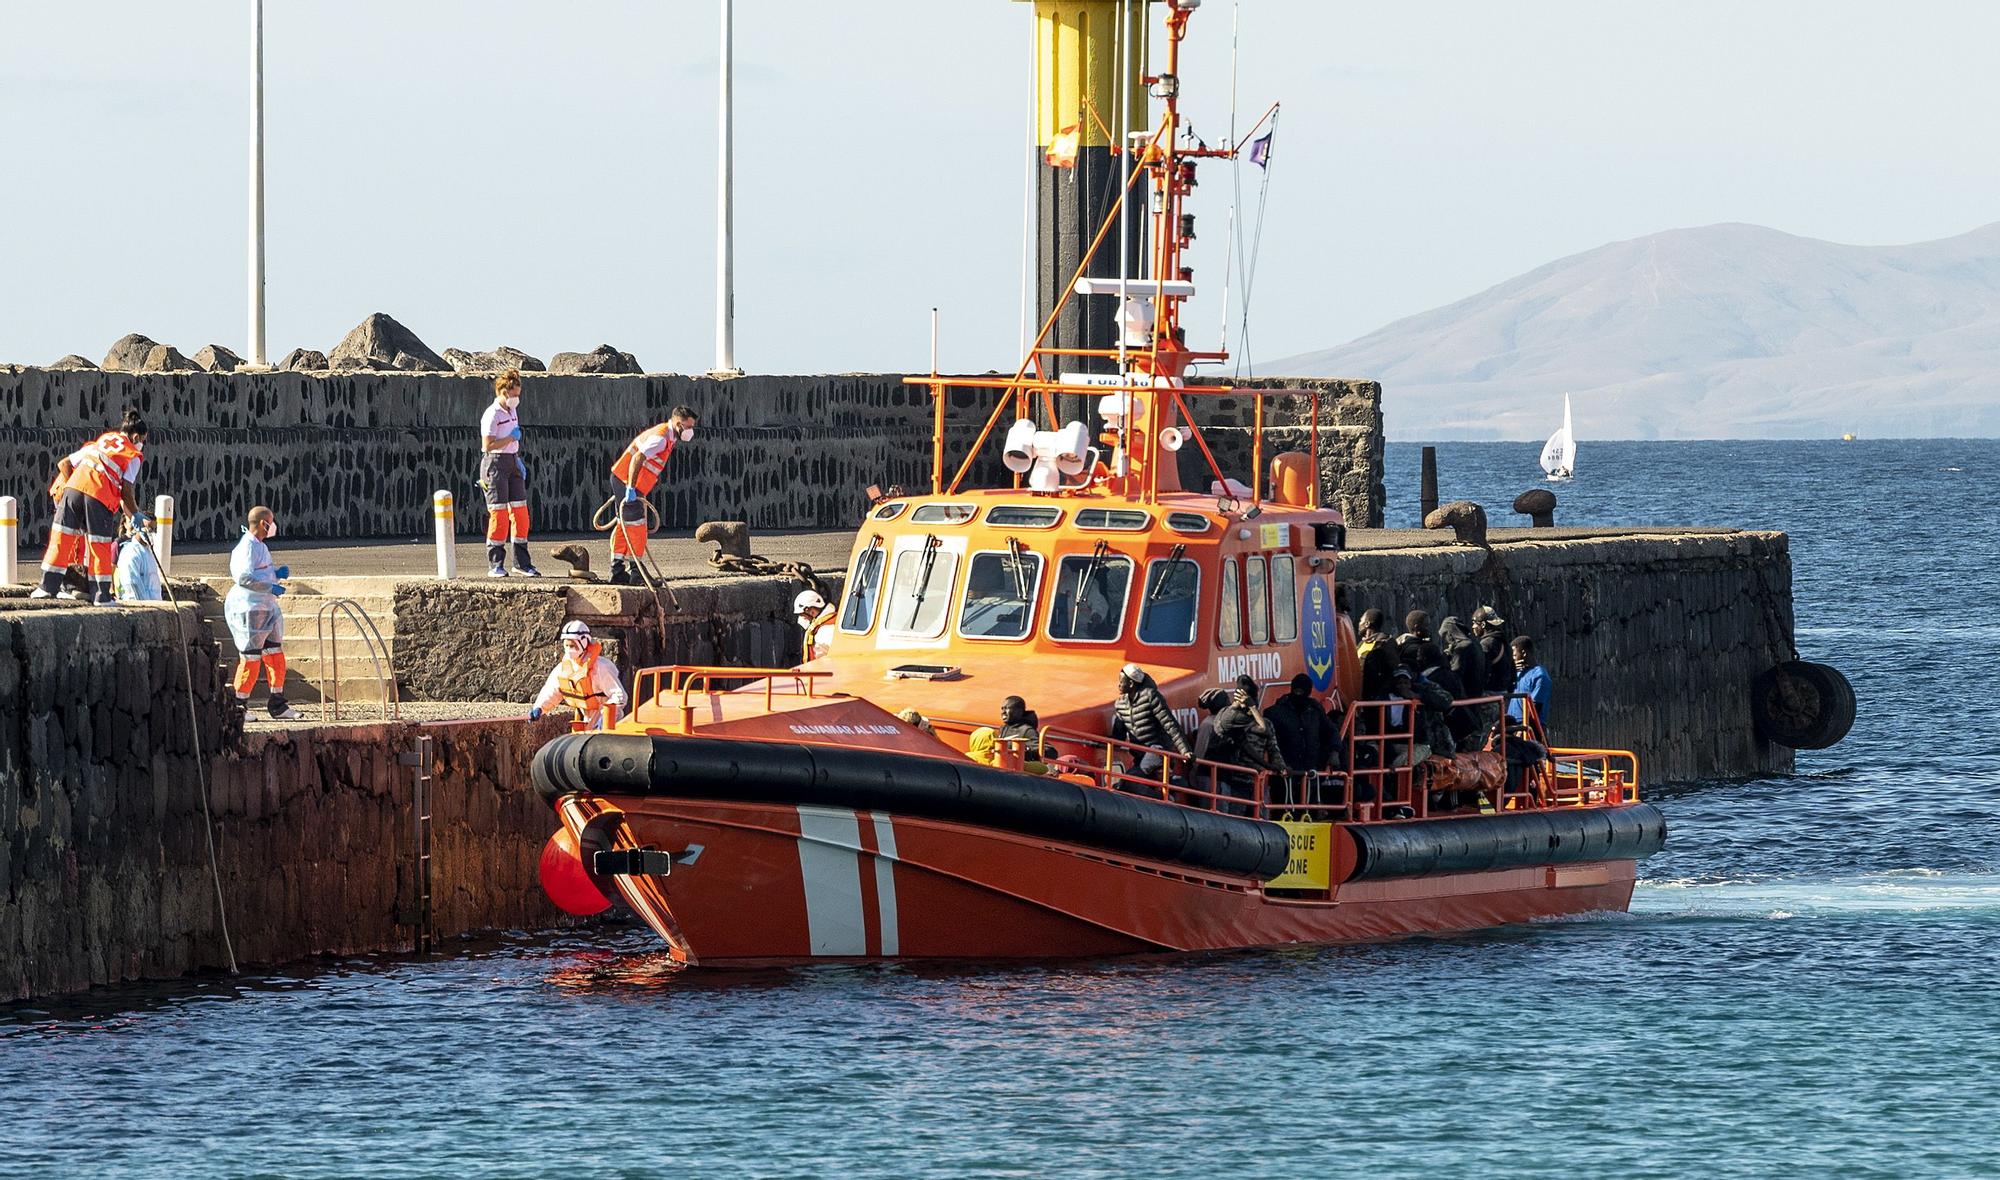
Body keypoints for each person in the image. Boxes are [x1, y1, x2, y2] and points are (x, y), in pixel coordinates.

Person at [33, 408, 148, 604]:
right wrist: (135, 514)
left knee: (61, 539)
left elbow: (64, 464)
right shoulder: (132, 454)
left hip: (73, 491)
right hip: (99, 497)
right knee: (99, 545)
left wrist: (77, 486)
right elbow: (126, 491)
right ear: (136, 436)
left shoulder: (99, 444)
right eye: (143, 440)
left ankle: (46, 588)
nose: (142, 445)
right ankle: (101, 596)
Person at [608, 404, 698, 586]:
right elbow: (637, 458)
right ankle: (636, 570)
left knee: (624, 525)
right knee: (636, 525)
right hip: (627, 482)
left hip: (625, 481)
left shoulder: (668, 436)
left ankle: (617, 570)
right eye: (688, 427)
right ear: (678, 424)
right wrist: (631, 488)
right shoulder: (661, 438)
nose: (691, 431)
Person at [225, 505, 301, 720]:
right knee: (250, 658)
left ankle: (278, 704)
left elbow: (261, 572)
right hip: (250, 609)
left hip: (267, 607)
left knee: (275, 654)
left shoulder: (260, 546)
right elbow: (244, 578)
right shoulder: (245, 548)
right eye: (271, 521)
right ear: (262, 524)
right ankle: (239, 705)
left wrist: (275, 574)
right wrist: (270, 587)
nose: (273, 526)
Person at [478, 369, 540, 578]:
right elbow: (488, 445)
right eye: (514, 395)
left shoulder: (512, 411)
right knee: (499, 514)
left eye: (518, 395)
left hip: (512, 461)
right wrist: (511, 439)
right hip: (495, 464)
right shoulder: (492, 414)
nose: (516, 399)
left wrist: (516, 457)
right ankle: (495, 564)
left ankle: (522, 563)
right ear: (503, 392)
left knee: (521, 514)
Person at [530, 621, 629, 730]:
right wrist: (539, 707)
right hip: (585, 721)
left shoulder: (601, 667)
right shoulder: (563, 667)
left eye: (573, 645)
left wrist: (604, 718)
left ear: (584, 642)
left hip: (610, 723)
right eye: (567, 645)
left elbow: (620, 697)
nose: (569, 649)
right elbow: (551, 690)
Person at [1110, 663, 1192, 786]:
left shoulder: (1151, 697)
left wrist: (1185, 751)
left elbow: (1170, 724)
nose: (1119, 685)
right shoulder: (1120, 704)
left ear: (1131, 684)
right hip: (1139, 756)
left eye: (1121, 681)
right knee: (1133, 782)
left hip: (1158, 752)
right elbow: (1118, 737)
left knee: (1128, 781)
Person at [1264, 673, 1336, 804]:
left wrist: (1334, 751)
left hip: (1310, 774)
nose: (1298, 694)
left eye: (1302, 691)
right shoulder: (1275, 712)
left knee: (1310, 811)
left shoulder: (1315, 710)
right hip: (1285, 776)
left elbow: (1331, 731)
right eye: (1296, 690)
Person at [112, 516, 164, 602]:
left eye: (155, 529)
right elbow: (132, 584)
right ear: (139, 528)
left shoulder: (149, 552)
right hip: (141, 606)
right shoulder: (130, 552)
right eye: (150, 529)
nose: (153, 533)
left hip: (155, 605)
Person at [1356, 608, 1399, 711]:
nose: (1359, 624)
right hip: (1359, 693)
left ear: (1367, 624)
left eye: (1360, 621)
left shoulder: (1385, 643)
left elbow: (1393, 668)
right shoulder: (1362, 643)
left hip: (1375, 698)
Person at [1508, 635, 1552, 733]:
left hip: (1530, 727)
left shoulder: (1540, 675)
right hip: (1512, 724)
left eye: (1514, 655)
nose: (1513, 659)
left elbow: (1535, 708)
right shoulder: (1517, 673)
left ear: (1523, 653)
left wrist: (1523, 728)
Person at [1472, 605, 1513, 694]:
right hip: (1504, 694)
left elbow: (1483, 671)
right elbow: (1512, 671)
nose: (1473, 627)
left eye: (1474, 623)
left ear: (1483, 624)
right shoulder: (1504, 642)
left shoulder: (1486, 644)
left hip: (1490, 695)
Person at [1398, 609, 1444, 674]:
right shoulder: (1420, 649)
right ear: (1417, 628)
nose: (1429, 629)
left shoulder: (1403, 646)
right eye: (1426, 625)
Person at [795, 589, 834, 661]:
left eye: (802, 615)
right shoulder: (830, 622)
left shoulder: (825, 631)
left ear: (811, 611)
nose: (802, 618)